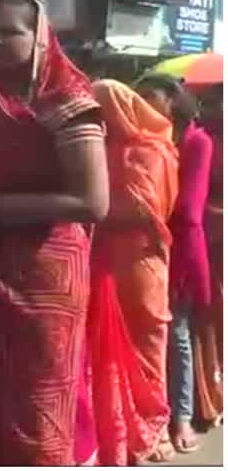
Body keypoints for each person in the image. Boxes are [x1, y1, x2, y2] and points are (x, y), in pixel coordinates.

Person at [0, 0, 109, 465]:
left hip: (44, 273)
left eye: (9, 31)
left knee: (37, 402)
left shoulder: (68, 102)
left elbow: (92, 202)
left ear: (39, 38)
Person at [90, 79, 179, 464]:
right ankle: (132, 433)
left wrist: (98, 210)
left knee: (136, 347)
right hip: (124, 260)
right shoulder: (135, 150)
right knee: (122, 348)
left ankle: (141, 432)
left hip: (131, 260)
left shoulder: (140, 152)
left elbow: (148, 212)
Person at [136, 74, 213, 453]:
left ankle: (181, 417)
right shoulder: (145, 139)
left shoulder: (196, 142)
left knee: (177, 333)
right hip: (146, 247)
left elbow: (189, 211)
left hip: (180, 247)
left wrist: (147, 213)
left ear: (173, 100)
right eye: (141, 98)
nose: (146, 104)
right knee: (149, 336)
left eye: (152, 97)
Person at [193, 83, 223, 428]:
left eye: (214, 103)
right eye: (205, 103)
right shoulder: (202, 139)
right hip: (206, 241)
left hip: (213, 236)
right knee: (209, 318)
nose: (207, 109)